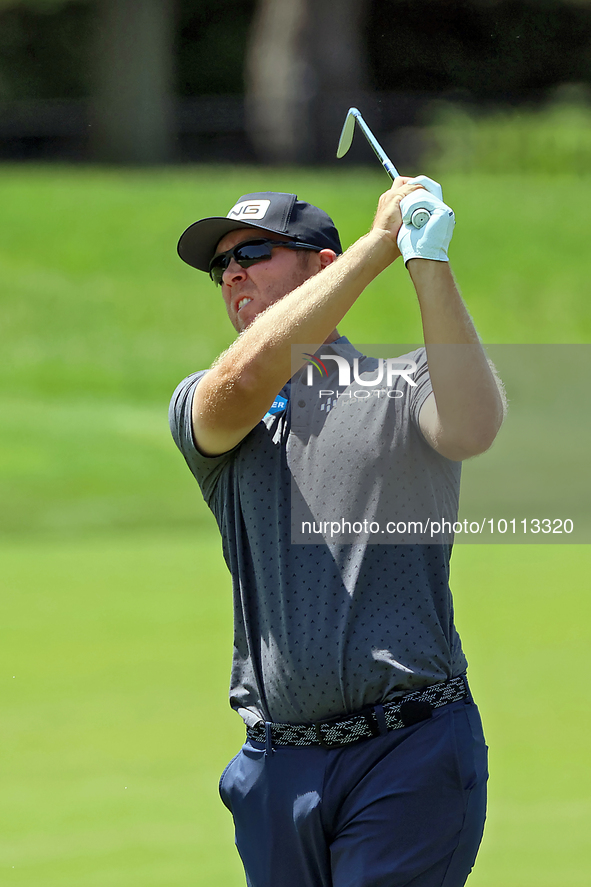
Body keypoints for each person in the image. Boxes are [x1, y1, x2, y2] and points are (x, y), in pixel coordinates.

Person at [169, 178, 505, 887]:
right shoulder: (212, 400)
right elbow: (248, 373)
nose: (232, 271)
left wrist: (424, 261)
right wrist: (376, 245)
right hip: (276, 766)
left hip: (408, 747)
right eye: (220, 264)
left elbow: (472, 425)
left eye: (254, 251)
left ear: (321, 268)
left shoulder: (400, 385)